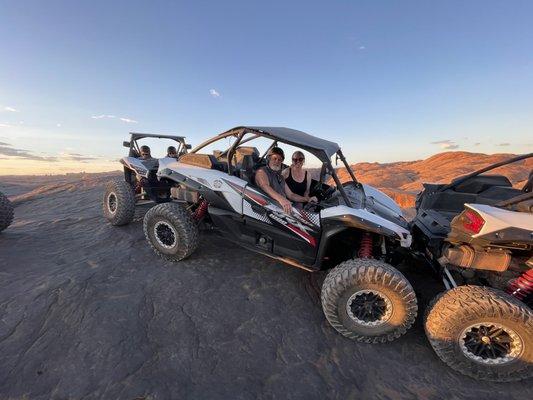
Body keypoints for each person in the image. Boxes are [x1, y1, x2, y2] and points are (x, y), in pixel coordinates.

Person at [255, 147, 317, 214]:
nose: (277, 161)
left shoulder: (279, 176)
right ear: (269, 158)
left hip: (286, 206)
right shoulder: (262, 171)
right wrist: (282, 199)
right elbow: (265, 186)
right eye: (274, 158)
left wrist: (307, 199)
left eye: (279, 160)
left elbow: (291, 195)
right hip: (274, 208)